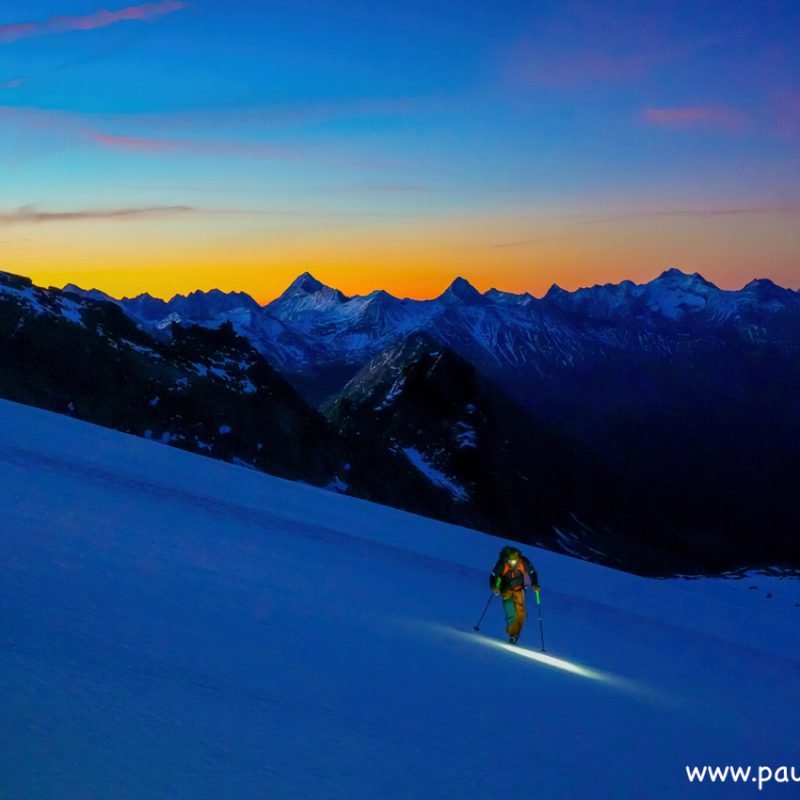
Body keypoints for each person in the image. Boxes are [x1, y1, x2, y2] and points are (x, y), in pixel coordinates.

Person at [489, 545, 540, 644]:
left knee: (521, 614)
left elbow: (532, 573)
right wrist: (493, 586)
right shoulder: (502, 564)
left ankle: (515, 634)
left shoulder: (523, 562)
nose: (513, 562)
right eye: (510, 560)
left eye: (514, 560)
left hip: (520, 590)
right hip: (506, 590)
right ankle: (513, 634)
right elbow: (493, 575)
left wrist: (534, 584)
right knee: (511, 612)